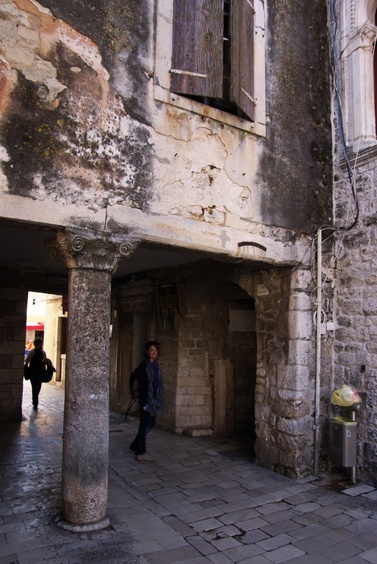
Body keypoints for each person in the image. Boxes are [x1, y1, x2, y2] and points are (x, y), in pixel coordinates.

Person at [129, 341, 164, 461]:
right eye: (151, 350)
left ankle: (134, 445)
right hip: (146, 401)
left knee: (151, 423)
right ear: (147, 352)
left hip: (154, 400)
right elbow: (142, 385)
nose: (154, 353)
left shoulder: (156, 365)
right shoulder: (144, 366)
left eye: (155, 350)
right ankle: (141, 452)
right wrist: (144, 402)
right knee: (144, 425)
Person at [24, 337, 47, 410]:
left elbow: (27, 361)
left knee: (36, 388)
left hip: (35, 373)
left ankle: (35, 401)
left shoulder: (41, 352)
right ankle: (35, 402)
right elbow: (27, 361)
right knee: (36, 387)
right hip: (35, 373)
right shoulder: (34, 352)